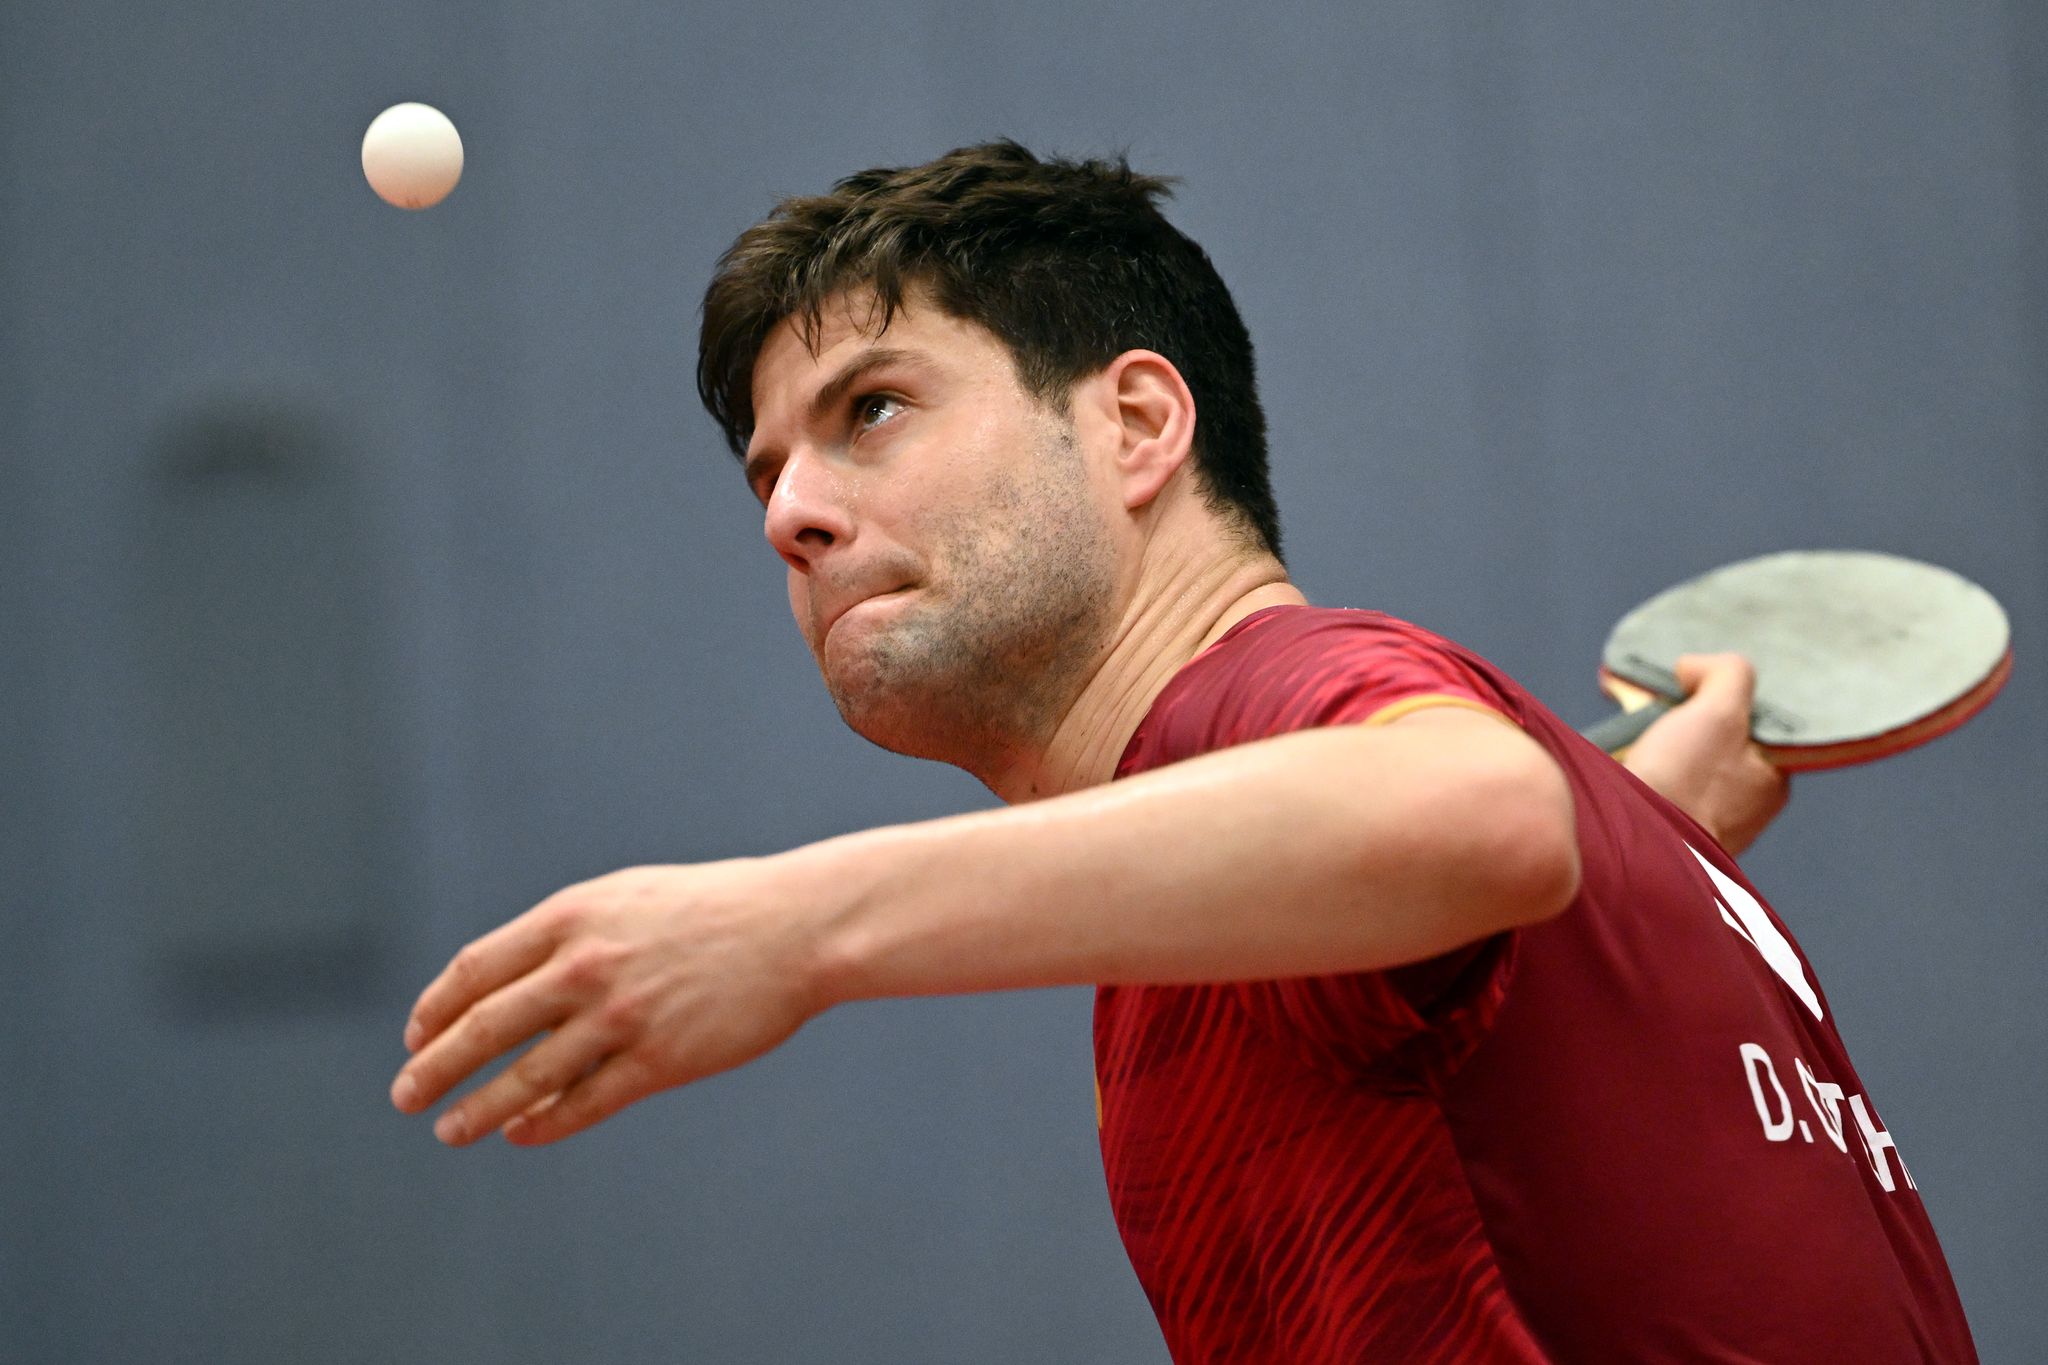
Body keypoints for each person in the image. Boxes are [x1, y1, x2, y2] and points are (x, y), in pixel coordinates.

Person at [389, 142, 1975, 1361]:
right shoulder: (1429, 858)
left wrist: (795, 928)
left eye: (870, 409)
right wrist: (1644, 826)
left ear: (1140, 424)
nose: (791, 512)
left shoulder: (1276, 692)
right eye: (767, 472)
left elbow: (1478, 811)